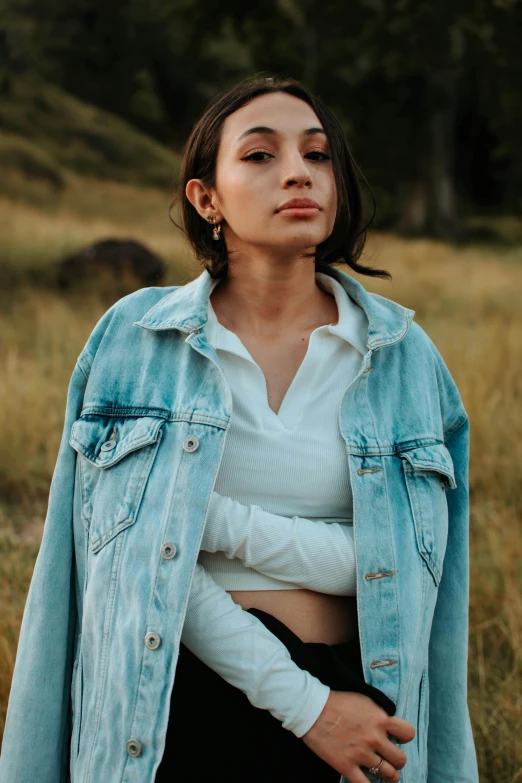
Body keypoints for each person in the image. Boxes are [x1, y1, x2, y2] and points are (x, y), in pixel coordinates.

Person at [0, 75, 479, 783]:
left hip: (364, 711)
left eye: (318, 155)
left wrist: (210, 519)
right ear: (207, 197)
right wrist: (303, 703)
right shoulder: (136, 341)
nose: (298, 172)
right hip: (172, 706)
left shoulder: (407, 359)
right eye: (260, 155)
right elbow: (128, 570)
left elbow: (410, 574)